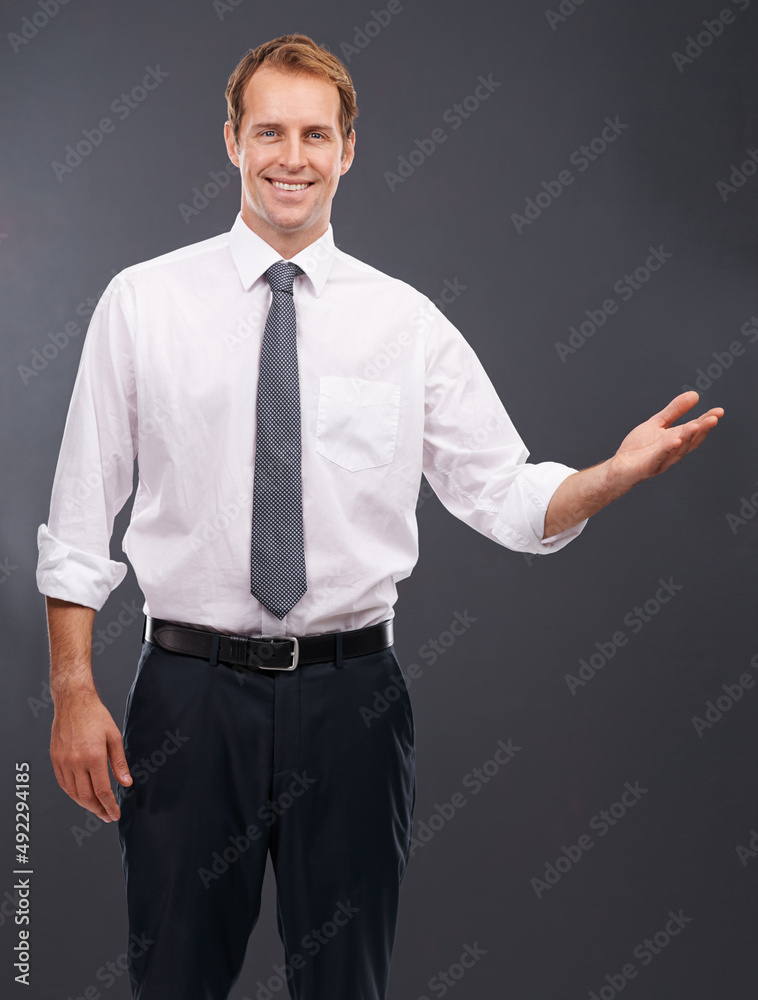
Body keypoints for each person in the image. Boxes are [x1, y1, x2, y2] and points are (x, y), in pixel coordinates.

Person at [36, 32, 723, 1000]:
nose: (291, 157)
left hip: (351, 701)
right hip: (188, 697)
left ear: (348, 150)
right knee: (174, 976)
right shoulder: (143, 302)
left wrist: (613, 473)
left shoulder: (403, 321)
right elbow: (78, 516)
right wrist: (73, 691)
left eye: (315, 135)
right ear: (230, 140)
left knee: (344, 982)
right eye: (268, 131)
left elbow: (509, 498)